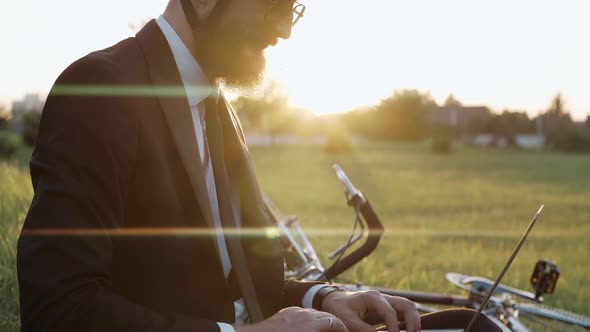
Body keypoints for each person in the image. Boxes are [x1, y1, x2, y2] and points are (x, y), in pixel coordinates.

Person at [17, 1, 500, 331]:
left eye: (292, 6)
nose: (285, 27)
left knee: (472, 325)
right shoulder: (100, 90)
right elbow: (58, 308)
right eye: (273, 2)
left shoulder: (218, 107)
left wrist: (325, 299)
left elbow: (253, 281)